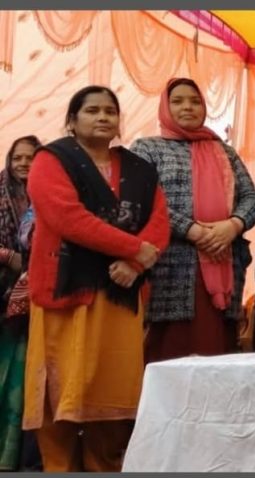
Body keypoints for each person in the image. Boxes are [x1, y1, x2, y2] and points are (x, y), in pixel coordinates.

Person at [23, 85, 170, 471]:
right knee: (60, 393)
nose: (103, 117)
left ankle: (105, 467)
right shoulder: (51, 160)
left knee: (113, 393)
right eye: (92, 110)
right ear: (72, 120)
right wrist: (133, 249)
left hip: (120, 294)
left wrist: (135, 265)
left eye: (110, 111)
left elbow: (159, 222)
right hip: (66, 291)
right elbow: (66, 217)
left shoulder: (139, 169)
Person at [131, 78, 255, 363]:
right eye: (177, 101)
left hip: (223, 259)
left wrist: (233, 225)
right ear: (165, 107)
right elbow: (143, 199)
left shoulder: (224, 151)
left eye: (195, 101)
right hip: (171, 266)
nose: (187, 107)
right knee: (171, 353)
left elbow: (251, 197)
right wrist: (192, 231)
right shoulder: (147, 148)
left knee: (217, 351)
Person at [0, 135, 39, 471]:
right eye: (18, 158)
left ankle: (14, 457)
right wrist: (8, 256)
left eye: (31, 157)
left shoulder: (48, 194)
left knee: (25, 377)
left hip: (35, 296)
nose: (24, 163)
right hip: (3, 296)